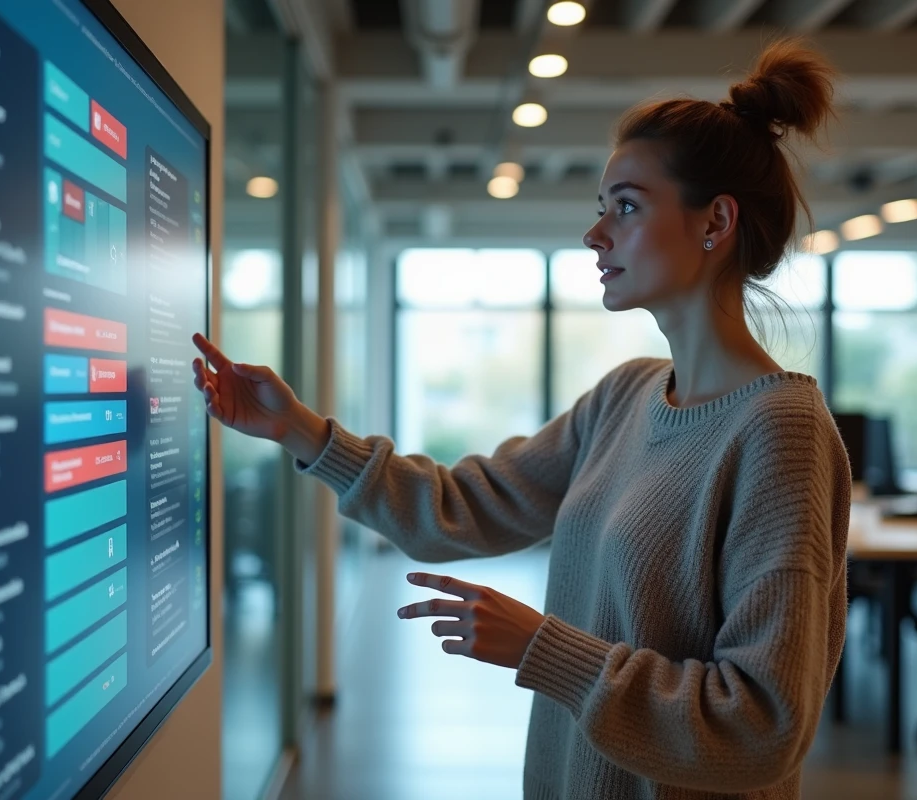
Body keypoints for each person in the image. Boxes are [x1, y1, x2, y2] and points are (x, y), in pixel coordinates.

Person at [193, 37, 851, 800]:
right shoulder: (625, 396)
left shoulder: (782, 433)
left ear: (716, 222)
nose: (595, 234)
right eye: (600, 209)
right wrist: (301, 430)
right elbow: (464, 506)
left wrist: (545, 649)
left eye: (626, 208)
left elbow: (762, 728)